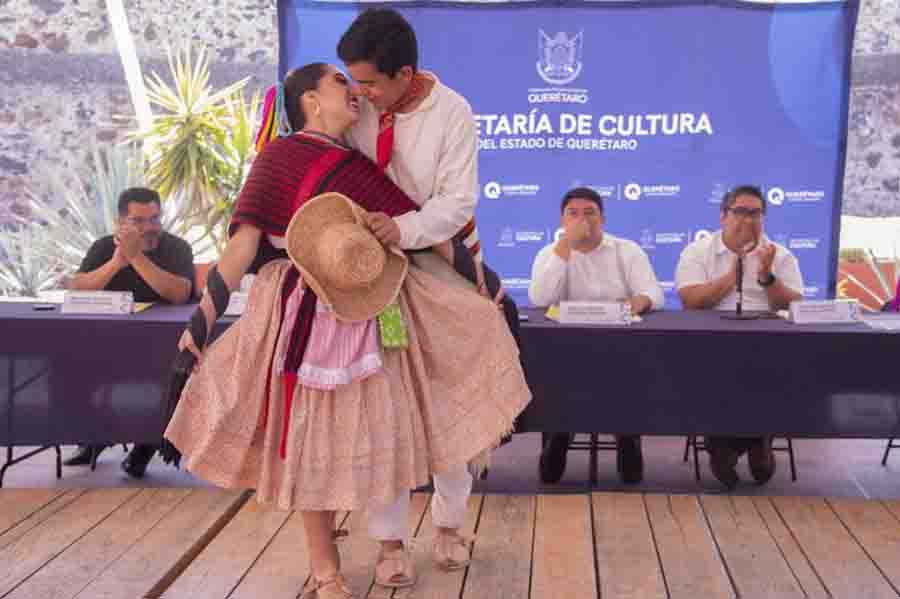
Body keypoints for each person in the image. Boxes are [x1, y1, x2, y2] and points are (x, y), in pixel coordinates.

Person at [163, 63, 531, 599]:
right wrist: (201, 325)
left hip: (373, 307)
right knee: (305, 441)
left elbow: (421, 233)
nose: (353, 91)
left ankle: (397, 544)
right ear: (311, 100)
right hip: (300, 314)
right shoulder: (278, 158)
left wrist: (489, 284)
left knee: (383, 429)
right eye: (340, 83)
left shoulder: (357, 165)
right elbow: (242, 247)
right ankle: (326, 570)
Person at [337, 10, 519, 578]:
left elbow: (457, 204)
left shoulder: (453, 112)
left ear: (405, 73)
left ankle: (448, 526)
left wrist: (405, 229)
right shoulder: (356, 105)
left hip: (441, 269)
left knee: (449, 403)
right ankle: (390, 543)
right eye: (351, 80)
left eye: (367, 82)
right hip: (374, 277)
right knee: (383, 406)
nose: (358, 93)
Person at [529, 187, 663, 484]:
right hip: (566, 350)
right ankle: (558, 437)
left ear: (602, 218)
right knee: (554, 372)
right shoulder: (549, 254)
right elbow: (540, 298)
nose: (582, 220)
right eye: (572, 214)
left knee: (630, 372)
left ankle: (628, 438)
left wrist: (635, 303)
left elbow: (654, 293)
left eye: (589, 212)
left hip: (620, 347)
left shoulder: (626, 250)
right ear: (562, 220)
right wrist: (566, 248)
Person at [675, 185, 803, 490]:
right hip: (710, 343)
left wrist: (766, 277)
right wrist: (732, 276)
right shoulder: (698, 252)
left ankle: (751, 441)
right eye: (740, 212)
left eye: (755, 213)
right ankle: (727, 442)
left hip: (767, 343)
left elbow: (794, 304)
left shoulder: (779, 255)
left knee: (776, 368)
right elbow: (690, 300)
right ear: (723, 216)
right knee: (711, 371)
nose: (747, 219)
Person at [64, 187, 194, 478]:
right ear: (120, 224)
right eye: (139, 221)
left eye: (154, 219)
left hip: (161, 347)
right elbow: (78, 287)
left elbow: (180, 294)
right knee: (65, 360)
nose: (149, 228)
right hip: (108, 344)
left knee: (170, 370)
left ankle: (145, 446)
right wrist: (115, 263)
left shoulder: (176, 248)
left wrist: (137, 259)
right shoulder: (102, 247)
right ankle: (93, 436)